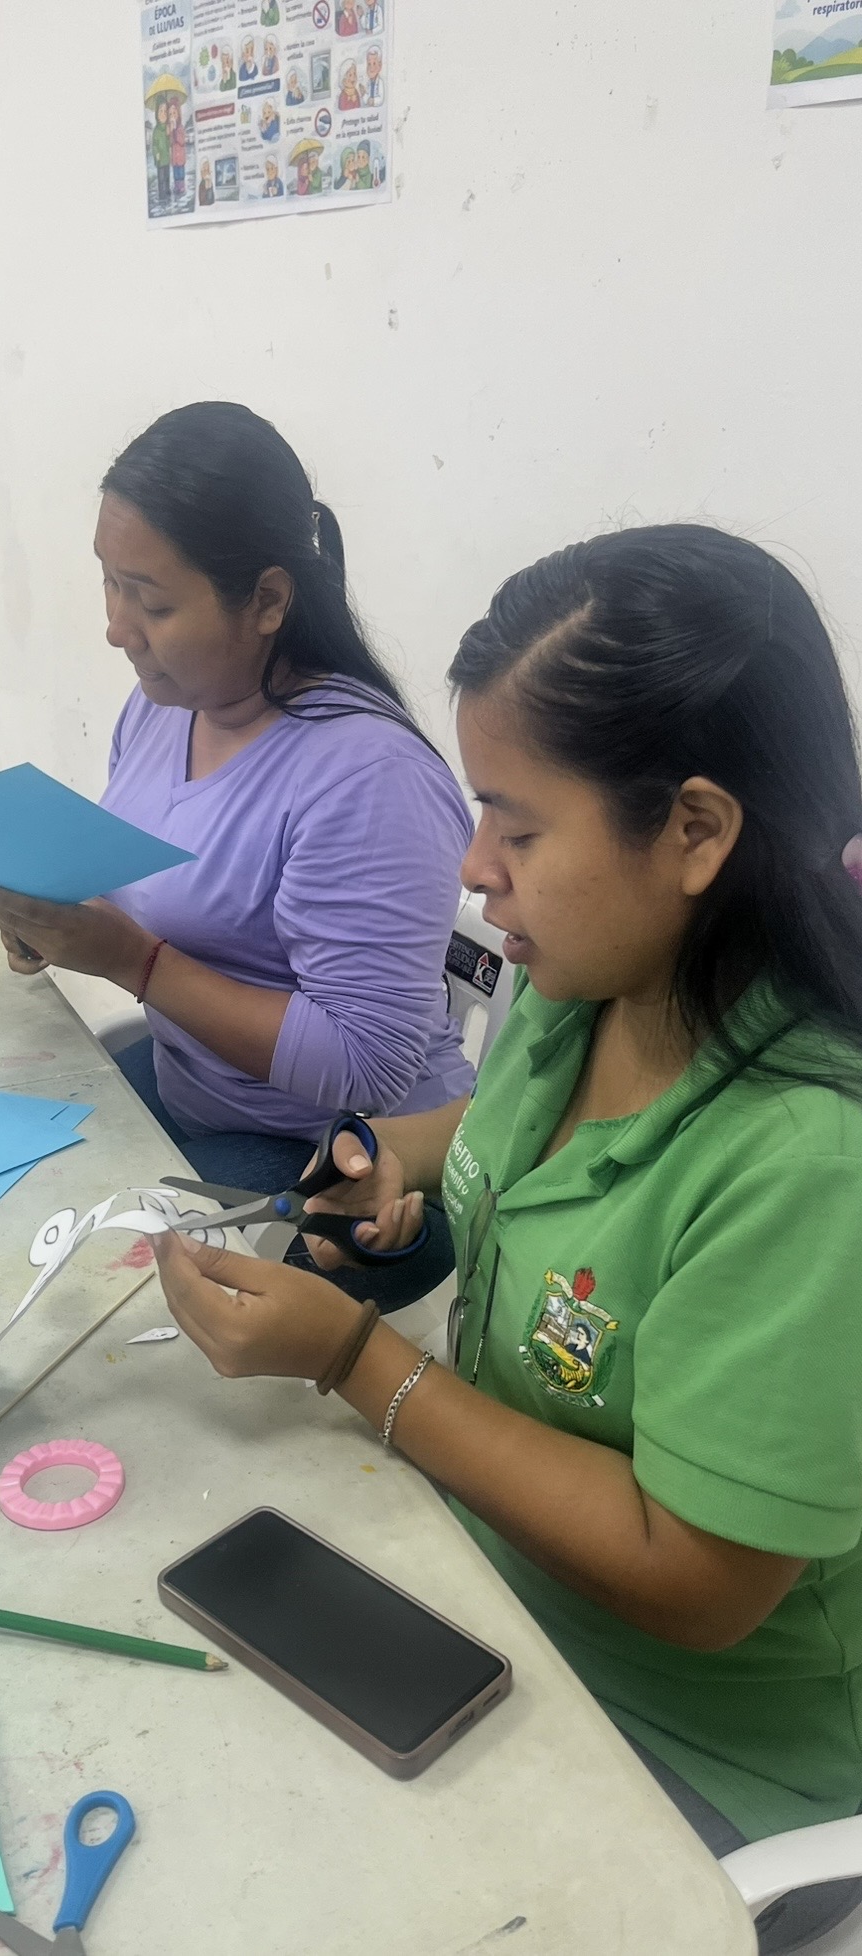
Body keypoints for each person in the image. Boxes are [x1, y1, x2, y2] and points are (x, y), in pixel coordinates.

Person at [151, 525, 862, 1954]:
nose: (476, 867)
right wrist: (388, 1158)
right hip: (479, 1596)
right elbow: (495, 1131)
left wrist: (355, 1361)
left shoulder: (807, 1169)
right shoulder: (579, 984)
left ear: (696, 832)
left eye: (518, 829)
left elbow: (694, 1580)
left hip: (682, 1765)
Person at [0, 402, 473, 1310]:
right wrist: (53, 919)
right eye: (109, 583)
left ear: (269, 601)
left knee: (93, 1302)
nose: (117, 627)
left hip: (343, 1160)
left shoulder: (367, 777)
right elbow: (159, 896)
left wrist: (129, 960)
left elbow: (368, 1064)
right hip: (195, 1088)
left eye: (152, 601)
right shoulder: (165, 707)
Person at [151, 101, 171, 207]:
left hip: (166, 158)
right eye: (161, 111)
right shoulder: (156, 130)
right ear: (157, 114)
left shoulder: (167, 128)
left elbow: (169, 143)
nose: (163, 114)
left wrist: (168, 135)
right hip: (160, 159)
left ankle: (167, 191)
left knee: (167, 176)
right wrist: (156, 153)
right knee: (161, 178)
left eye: (165, 111)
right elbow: (154, 145)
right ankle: (162, 195)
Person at [167, 99, 187, 199]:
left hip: (180, 157)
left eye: (174, 113)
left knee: (181, 173)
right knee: (175, 173)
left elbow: (181, 141)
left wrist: (175, 131)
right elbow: (170, 142)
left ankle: (181, 187)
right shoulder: (170, 128)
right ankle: (176, 186)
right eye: (170, 114)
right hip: (174, 158)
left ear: (178, 113)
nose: (172, 116)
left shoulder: (180, 127)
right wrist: (171, 131)